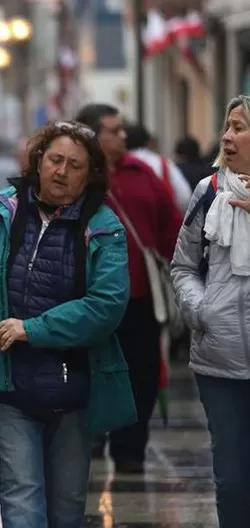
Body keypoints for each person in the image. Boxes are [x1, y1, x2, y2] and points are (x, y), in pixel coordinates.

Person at [0, 121, 136, 527]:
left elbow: (107, 305)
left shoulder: (104, 227)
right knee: (21, 491)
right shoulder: (1, 210)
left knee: (66, 504)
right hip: (7, 376)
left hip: (75, 382)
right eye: (55, 160)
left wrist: (33, 328)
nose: (62, 171)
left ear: (91, 174)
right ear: (38, 161)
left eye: (75, 165)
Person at [75, 104, 183, 474]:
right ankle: (88, 437)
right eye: (113, 130)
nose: (123, 136)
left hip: (139, 296)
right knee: (88, 370)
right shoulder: (73, 178)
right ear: (91, 134)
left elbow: (172, 227)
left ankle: (130, 446)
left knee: (142, 371)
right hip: (86, 298)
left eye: (122, 130)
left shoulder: (143, 173)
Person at [171, 95, 250, 528]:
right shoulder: (209, 191)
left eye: (239, 127)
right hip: (220, 362)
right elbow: (183, 265)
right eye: (227, 126)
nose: (226, 136)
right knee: (233, 479)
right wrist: (201, 311)